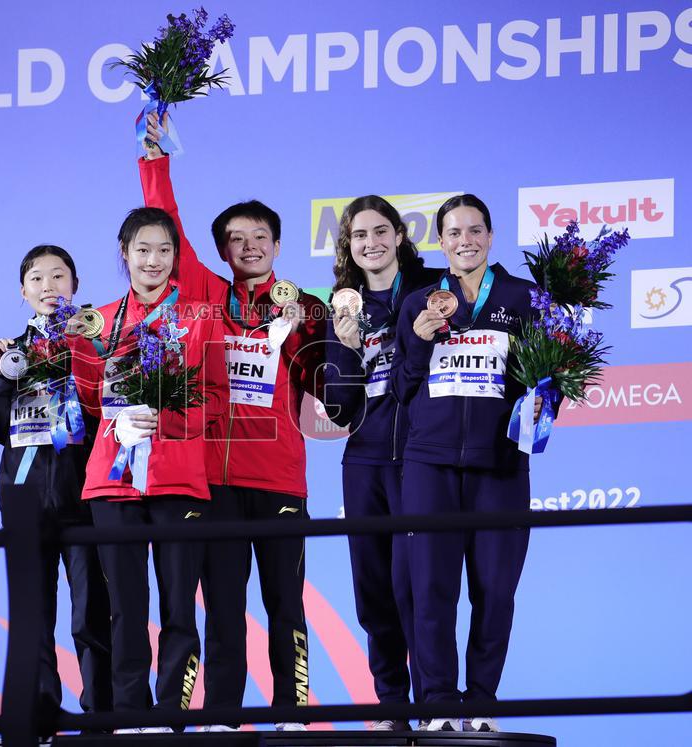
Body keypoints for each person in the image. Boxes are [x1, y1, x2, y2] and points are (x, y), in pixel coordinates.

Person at [139, 115, 325, 732]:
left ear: (277, 244)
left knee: (285, 605)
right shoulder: (201, 297)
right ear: (222, 251)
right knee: (221, 605)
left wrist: (330, 336)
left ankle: (292, 713)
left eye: (261, 237)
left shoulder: (305, 306)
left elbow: (332, 385)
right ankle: (221, 715)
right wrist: (155, 160)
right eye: (237, 239)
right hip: (212, 483)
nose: (249, 247)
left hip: (278, 480)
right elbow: (167, 230)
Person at [390, 195, 549, 733]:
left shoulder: (525, 299)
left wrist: (547, 401)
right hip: (429, 465)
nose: (466, 240)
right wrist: (416, 341)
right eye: (454, 232)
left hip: (500, 466)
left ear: (491, 235)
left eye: (475, 230)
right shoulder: (418, 302)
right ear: (440, 241)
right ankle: (436, 703)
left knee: (496, 588)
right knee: (430, 588)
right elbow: (403, 389)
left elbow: (545, 381)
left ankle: (481, 701)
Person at [69, 207, 229, 734]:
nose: (153, 260)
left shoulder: (202, 317)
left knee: (180, 607)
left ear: (175, 256)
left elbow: (215, 399)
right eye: (143, 249)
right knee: (124, 610)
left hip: (179, 479)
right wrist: (78, 347)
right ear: (124, 253)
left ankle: (171, 717)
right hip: (112, 482)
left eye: (164, 250)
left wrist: (168, 418)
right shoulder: (104, 320)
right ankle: (131, 716)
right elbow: (93, 403)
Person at [0, 245, 112, 728]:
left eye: (59, 276)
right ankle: (41, 713)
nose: (49, 286)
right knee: (33, 616)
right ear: (23, 291)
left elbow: (106, 414)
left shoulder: (98, 343)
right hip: (24, 495)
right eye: (37, 278)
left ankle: (101, 714)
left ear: (75, 285)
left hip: (85, 493)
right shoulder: (8, 352)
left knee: (91, 613)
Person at [323, 195, 443, 731]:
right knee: (373, 591)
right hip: (365, 459)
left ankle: (433, 707)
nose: (370, 243)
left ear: (398, 235)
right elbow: (340, 408)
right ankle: (391, 708)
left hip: (421, 455)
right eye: (358, 236)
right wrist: (346, 348)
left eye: (379, 231)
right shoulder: (342, 305)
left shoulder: (430, 290)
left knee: (415, 586)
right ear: (349, 247)